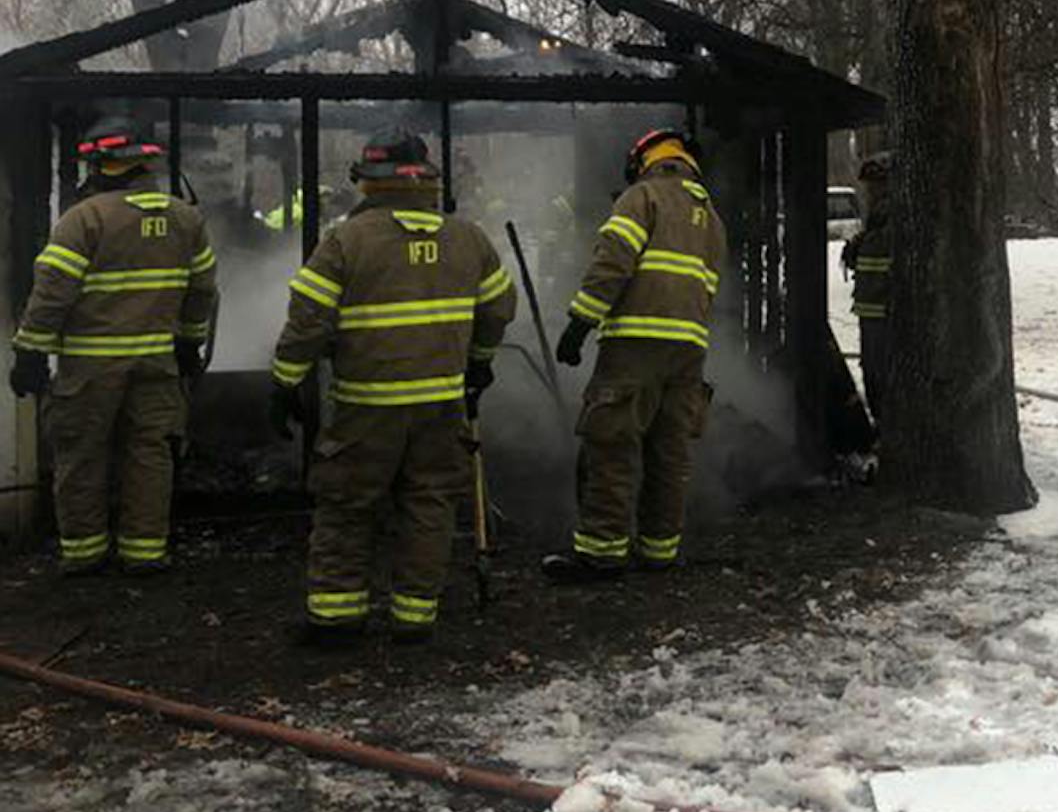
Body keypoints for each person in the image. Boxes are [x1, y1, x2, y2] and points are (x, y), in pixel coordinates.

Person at [268, 127, 516, 643]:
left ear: (367, 181)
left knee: (346, 506)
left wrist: (286, 381)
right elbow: (497, 308)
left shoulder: (345, 241)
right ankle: (414, 617)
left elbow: (308, 321)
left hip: (366, 408)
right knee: (429, 503)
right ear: (427, 178)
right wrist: (479, 363)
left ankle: (336, 619)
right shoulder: (467, 238)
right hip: (442, 404)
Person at [8, 118, 218, 574]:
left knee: (82, 454)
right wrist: (189, 343)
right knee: (150, 453)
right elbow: (202, 291)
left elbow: (51, 294)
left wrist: (29, 352)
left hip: (89, 367)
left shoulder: (84, 219)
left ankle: (84, 555)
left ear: (104, 164)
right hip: (157, 364)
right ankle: (144, 553)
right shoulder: (185, 218)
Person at [546, 128, 728, 582]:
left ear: (643, 161)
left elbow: (612, 264)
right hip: (689, 351)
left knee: (612, 444)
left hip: (634, 345)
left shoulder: (641, 198)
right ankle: (659, 550)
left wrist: (580, 323)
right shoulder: (711, 217)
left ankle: (602, 553)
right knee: (669, 450)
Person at [840, 152, 892, 432]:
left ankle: (889, 431)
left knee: (883, 377)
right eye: (870, 186)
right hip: (870, 313)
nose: (872, 192)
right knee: (873, 375)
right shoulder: (876, 221)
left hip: (887, 315)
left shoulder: (895, 219)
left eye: (878, 185)